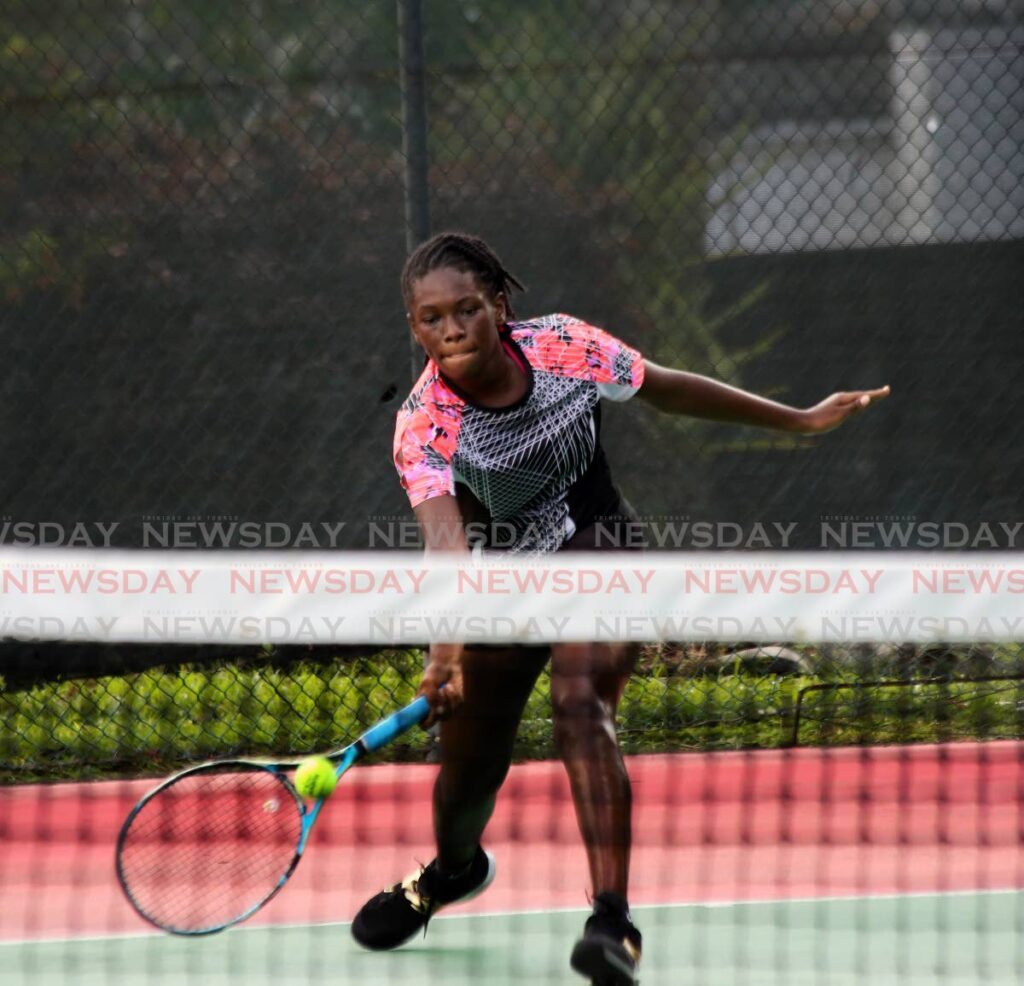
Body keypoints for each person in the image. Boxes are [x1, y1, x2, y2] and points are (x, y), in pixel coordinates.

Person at [351, 231, 889, 984]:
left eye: (468, 308)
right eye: (432, 317)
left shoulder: (567, 347)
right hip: (498, 585)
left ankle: (612, 920)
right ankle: (452, 871)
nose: (452, 328)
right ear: (415, 328)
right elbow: (447, 547)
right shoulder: (424, 424)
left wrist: (796, 420)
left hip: (596, 548)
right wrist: (447, 653)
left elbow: (667, 386)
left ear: (499, 307)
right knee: (469, 768)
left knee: (581, 708)